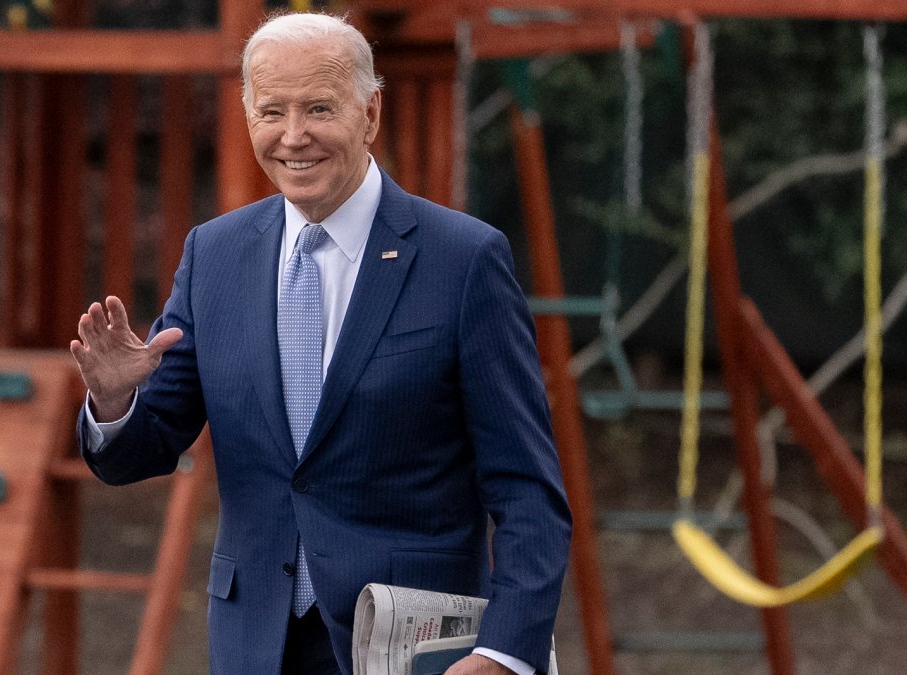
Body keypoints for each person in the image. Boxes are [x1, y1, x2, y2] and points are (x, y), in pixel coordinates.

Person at [70, 12, 570, 675]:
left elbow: (528, 491)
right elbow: (145, 447)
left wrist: (505, 650)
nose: (293, 136)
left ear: (370, 113)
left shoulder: (464, 260)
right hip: (255, 643)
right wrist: (113, 404)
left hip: (414, 648)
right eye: (271, 111)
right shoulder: (214, 255)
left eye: (318, 109)